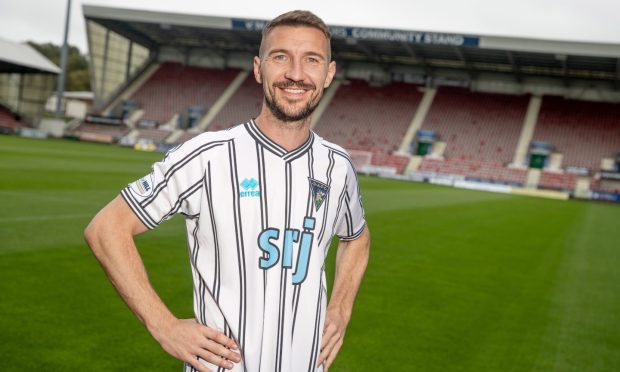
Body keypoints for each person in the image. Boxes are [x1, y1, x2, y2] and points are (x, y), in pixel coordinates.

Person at [84, 10, 370, 372]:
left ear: (328, 73)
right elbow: (106, 228)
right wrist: (163, 325)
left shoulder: (338, 166)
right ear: (258, 68)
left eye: (311, 60)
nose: (296, 73)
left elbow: (357, 237)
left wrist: (341, 307)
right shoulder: (206, 156)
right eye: (280, 57)